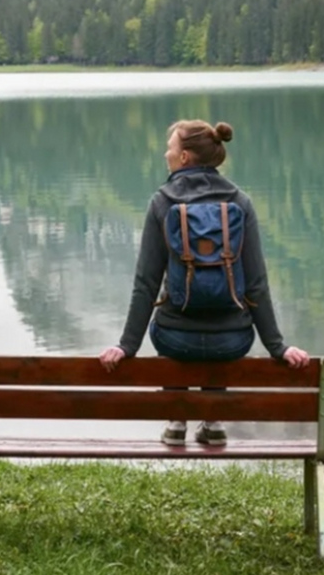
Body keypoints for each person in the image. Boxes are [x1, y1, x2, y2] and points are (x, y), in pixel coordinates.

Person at [98, 118, 310, 446]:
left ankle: (177, 418)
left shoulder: (162, 202)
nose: (165, 154)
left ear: (184, 158)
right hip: (233, 341)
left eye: (170, 148)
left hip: (173, 339)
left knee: (171, 329)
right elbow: (256, 284)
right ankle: (212, 419)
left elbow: (146, 283)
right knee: (221, 334)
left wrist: (127, 346)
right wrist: (277, 347)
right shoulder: (240, 202)